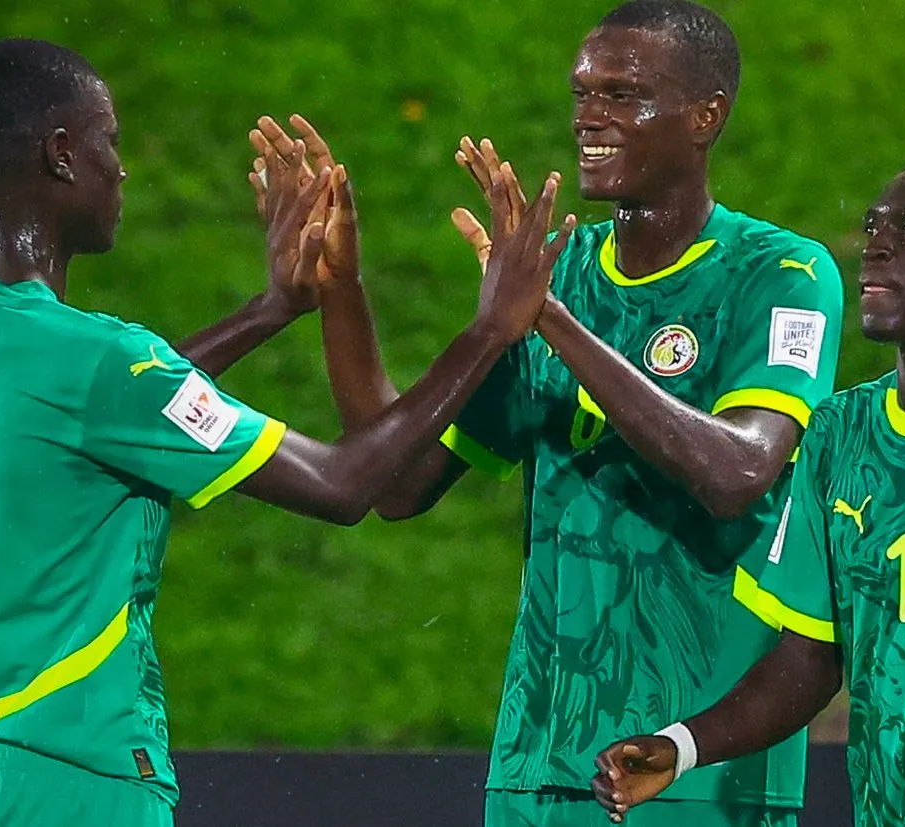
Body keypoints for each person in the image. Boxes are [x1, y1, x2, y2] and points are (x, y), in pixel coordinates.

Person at [0, 38, 574, 827]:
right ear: (63, 155)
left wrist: (272, 309)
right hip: (78, 779)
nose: (123, 167)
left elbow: (92, 408)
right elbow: (346, 483)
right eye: (109, 140)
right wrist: (489, 330)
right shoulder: (100, 364)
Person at [250, 1, 844, 824]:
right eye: (582, 94)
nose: (590, 120)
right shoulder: (550, 278)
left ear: (706, 116)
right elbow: (397, 482)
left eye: (623, 95)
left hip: (695, 768)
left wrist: (551, 322)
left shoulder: (778, 272)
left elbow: (738, 471)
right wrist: (338, 290)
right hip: (539, 766)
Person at [593, 154, 905, 826]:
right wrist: (681, 745)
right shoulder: (839, 433)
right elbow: (808, 657)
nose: (876, 245)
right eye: (873, 227)